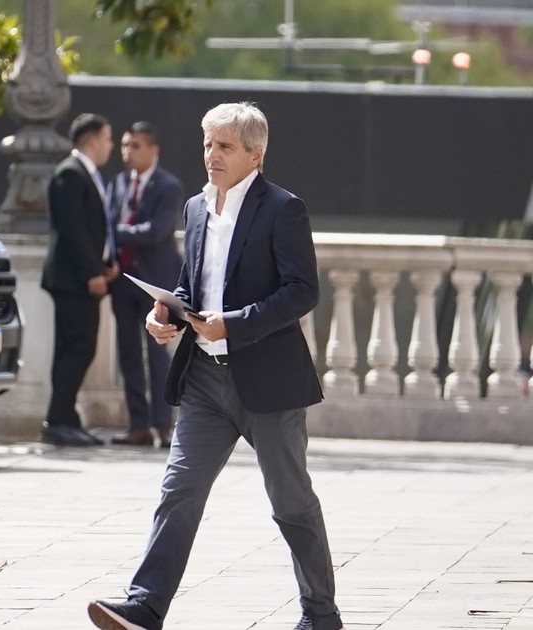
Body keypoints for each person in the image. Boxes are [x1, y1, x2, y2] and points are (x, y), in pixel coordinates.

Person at [88, 102, 342, 630]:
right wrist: (166, 314)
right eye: (207, 144)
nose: (212, 155)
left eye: (224, 146)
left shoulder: (283, 209)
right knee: (178, 490)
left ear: (255, 154)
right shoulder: (196, 207)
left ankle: (321, 615)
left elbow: (303, 291)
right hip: (204, 380)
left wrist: (235, 324)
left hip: (268, 381)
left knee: (290, 501)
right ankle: (145, 606)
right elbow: (192, 287)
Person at [40, 113, 118, 447]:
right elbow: (71, 230)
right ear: (92, 140)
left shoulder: (86, 174)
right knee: (77, 348)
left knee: (77, 348)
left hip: (83, 277)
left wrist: (105, 264)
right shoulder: (70, 174)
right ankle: (57, 420)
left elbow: (93, 228)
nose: (110, 146)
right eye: (108, 139)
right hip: (73, 281)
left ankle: (65, 418)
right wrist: (91, 272)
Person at [106, 122, 185, 448]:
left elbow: (156, 230)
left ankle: (163, 425)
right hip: (123, 281)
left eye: (135, 145)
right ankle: (138, 426)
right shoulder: (118, 183)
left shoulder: (169, 186)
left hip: (156, 282)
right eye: (125, 145)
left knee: (157, 352)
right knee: (128, 353)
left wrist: (114, 232)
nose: (128, 152)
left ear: (154, 150)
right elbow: (109, 219)